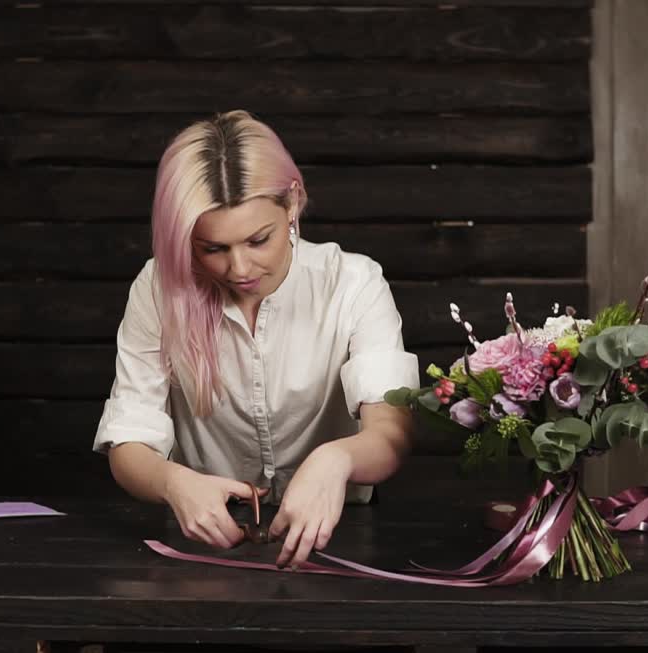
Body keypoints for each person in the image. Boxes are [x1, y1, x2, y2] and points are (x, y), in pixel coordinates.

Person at [92, 110, 419, 569]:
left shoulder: (354, 282)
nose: (240, 270)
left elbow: (392, 433)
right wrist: (172, 482)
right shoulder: (157, 288)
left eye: (258, 240)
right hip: (203, 546)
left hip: (341, 541)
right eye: (213, 249)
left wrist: (336, 460)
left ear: (293, 204)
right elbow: (129, 442)